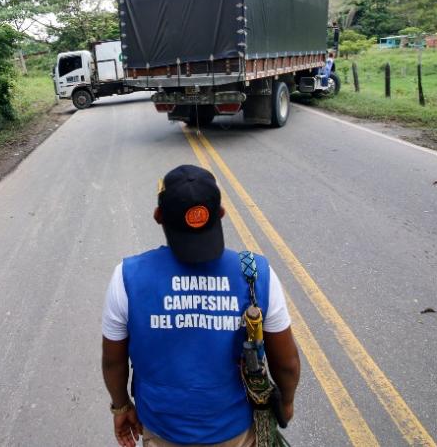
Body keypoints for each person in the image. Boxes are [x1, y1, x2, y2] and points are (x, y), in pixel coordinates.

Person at [101, 165, 301, 447]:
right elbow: (287, 364)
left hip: (162, 431)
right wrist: (287, 402)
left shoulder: (127, 277)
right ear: (221, 214)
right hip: (236, 433)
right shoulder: (256, 274)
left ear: (159, 217)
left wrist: (121, 406)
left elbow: (113, 360)